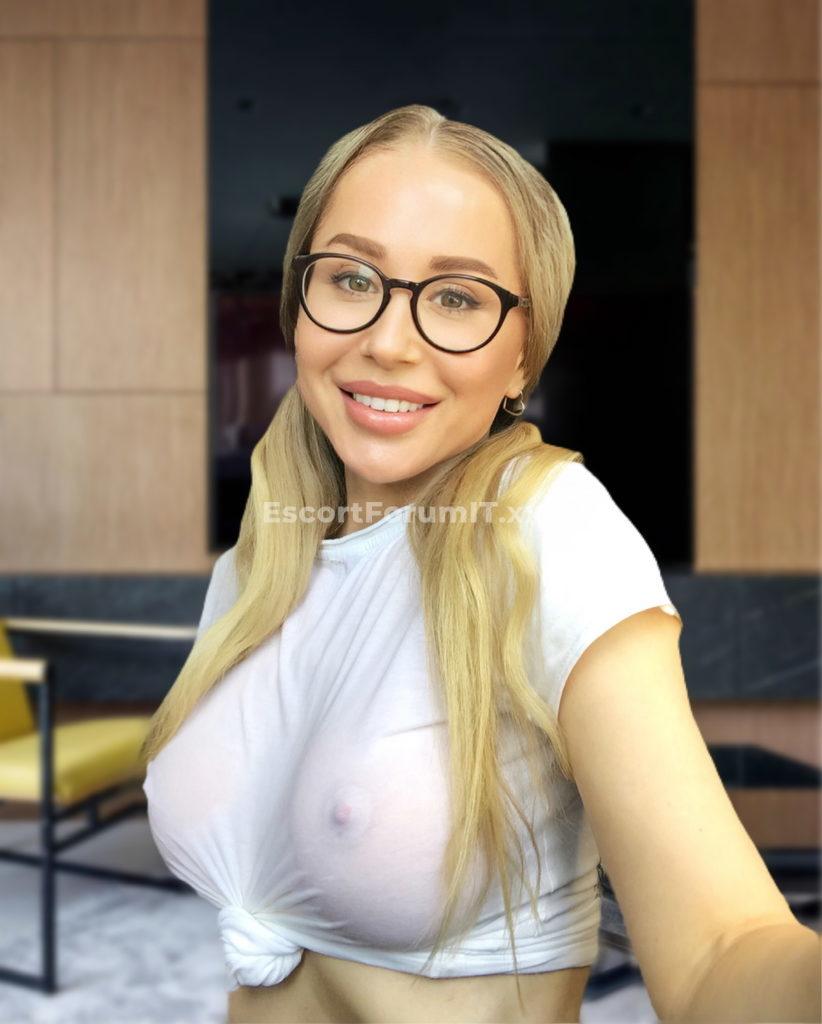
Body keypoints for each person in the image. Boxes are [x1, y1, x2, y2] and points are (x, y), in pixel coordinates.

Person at [139, 104, 820, 1024]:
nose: (388, 340)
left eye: (457, 298)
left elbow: (719, 950)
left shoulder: (544, 529)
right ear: (299, 305)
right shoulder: (255, 566)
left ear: (522, 359)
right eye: (351, 278)